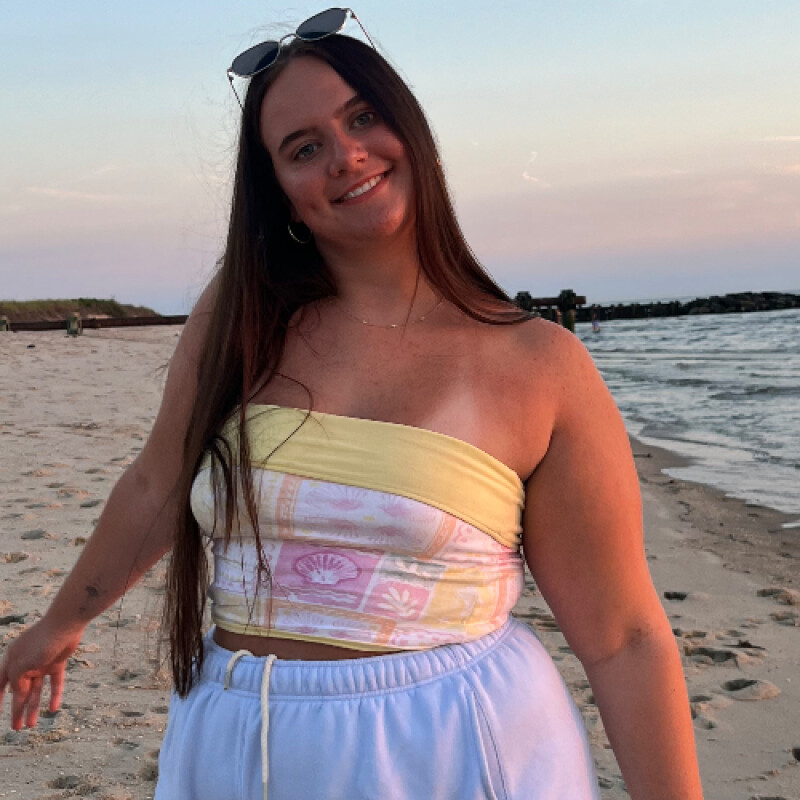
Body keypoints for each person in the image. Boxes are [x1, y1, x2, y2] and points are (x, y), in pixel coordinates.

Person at [0, 10, 703, 799]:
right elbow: (155, 485)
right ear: (281, 195)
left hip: (452, 747)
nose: (346, 155)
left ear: (411, 129)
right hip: (234, 737)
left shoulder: (540, 364)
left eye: (362, 117)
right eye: (304, 149)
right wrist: (62, 621)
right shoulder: (239, 318)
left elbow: (624, 638)